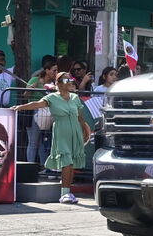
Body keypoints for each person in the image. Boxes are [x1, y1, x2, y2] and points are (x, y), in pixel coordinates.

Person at [10, 72, 94, 204]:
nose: (70, 82)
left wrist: (85, 128)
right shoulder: (52, 98)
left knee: (72, 163)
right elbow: (36, 104)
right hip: (61, 131)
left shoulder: (74, 97)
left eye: (70, 79)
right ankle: (64, 193)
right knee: (67, 161)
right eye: (66, 80)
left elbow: (80, 116)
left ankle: (68, 192)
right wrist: (20, 107)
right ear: (58, 84)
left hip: (75, 131)